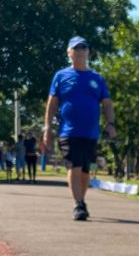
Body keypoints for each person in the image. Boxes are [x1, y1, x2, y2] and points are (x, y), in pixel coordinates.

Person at [43, 36, 116, 220]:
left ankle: (82, 201)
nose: (80, 51)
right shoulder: (61, 76)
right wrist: (47, 128)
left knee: (84, 170)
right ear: (69, 53)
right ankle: (78, 204)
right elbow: (52, 104)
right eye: (76, 49)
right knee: (74, 166)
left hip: (91, 133)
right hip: (68, 131)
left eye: (83, 48)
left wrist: (111, 124)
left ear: (88, 53)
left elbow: (107, 104)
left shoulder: (97, 78)